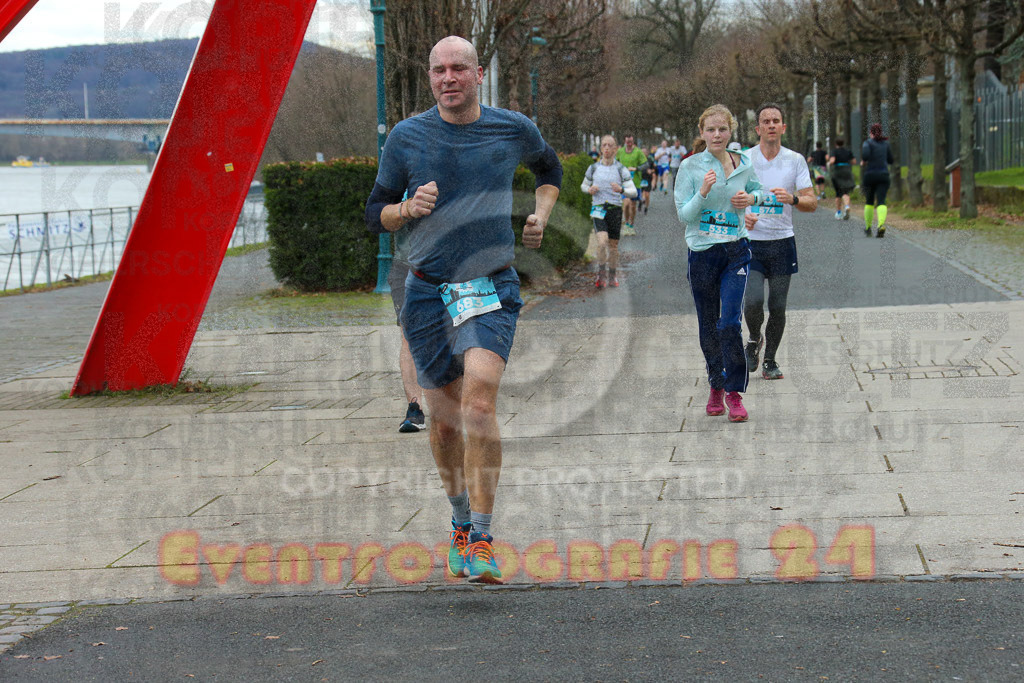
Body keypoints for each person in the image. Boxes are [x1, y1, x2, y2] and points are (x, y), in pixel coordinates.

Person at [365, 36, 562, 584]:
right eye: (438, 70)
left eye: (458, 69)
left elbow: (551, 170)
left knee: (478, 404)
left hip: (489, 284)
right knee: (445, 421)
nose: (447, 78)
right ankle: (457, 522)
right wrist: (404, 209)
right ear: (431, 78)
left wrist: (541, 213)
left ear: (479, 74)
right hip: (426, 289)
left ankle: (483, 535)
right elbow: (372, 211)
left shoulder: (510, 128)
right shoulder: (407, 137)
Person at [675, 104, 772, 423]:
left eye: (722, 129)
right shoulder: (690, 167)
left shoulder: (743, 164)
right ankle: (715, 385)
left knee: (729, 322)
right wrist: (703, 191)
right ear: (702, 133)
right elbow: (684, 216)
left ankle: (734, 392)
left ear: (731, 131)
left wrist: (751, 202)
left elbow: (760, 194)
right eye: (710, 130)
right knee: (708, 325)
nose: (717, 135)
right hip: (702, 254)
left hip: (735, 251)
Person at [743, 103, 818, 381]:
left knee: (777, 306)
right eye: (766, 121)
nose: (771, 125)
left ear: (783, 127)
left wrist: (794, 199)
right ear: (758, 128)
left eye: (776, 120)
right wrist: (743, 217)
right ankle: (753, 339)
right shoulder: (744, 159)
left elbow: (812, 202)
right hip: (751, 242)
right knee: (752, 302)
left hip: (782, 242)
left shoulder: (795, 160)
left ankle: (770, 360)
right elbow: (731, 198)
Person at [389, 201, 426, 433]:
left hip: (451, 265)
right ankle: (415, 409)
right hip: (406, 265)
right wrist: (406, 208)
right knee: (409, 337)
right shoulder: (399, 168)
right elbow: (377, 216)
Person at [582, 135, 638, 288]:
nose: (606, 148)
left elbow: (633, 192)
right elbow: (584, 186)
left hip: (615, 209)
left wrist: (621, 189)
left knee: (613, 246)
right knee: (601, 242)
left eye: (610, 145)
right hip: (598, 209)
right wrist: (589, 189)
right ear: (600, 149)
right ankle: (601, 274)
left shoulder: (621, 169)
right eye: (604, 145)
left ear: (615, 149)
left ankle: (612, 275)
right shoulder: (593, 168)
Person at [861, 123, 894, 238]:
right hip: (883, 175)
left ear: (871, 133)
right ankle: (880, 225)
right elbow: (891, 160)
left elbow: (865, 156)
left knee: (869, 201)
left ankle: (868, 227)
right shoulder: (886, 144)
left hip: (870, 175)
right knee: (881, 201)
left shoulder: (867, 143)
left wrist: (865, 160)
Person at [616, 135, 647, 235]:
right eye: (627, 142)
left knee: (633, 206)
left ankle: (631, 224)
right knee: (626, 204)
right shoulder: (620, 151)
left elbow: (645, 164)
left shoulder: (638, 152)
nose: (629, 144)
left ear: (633, 142)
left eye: (631, 142)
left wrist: (636, 169)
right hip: (624, 183)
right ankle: (625, 223)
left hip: (635, 183)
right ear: (625, 142)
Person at [828, 138, 856, 220]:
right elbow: (854, 161)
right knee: (846, 191)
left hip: (838, 171)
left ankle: (839, 212)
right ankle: (847, 206)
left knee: (838, 193)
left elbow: (833, 160)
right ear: (843, 143)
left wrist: (829, 163)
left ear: (836, 144)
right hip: (847, 171)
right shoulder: (848, 151)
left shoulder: (834, 151)